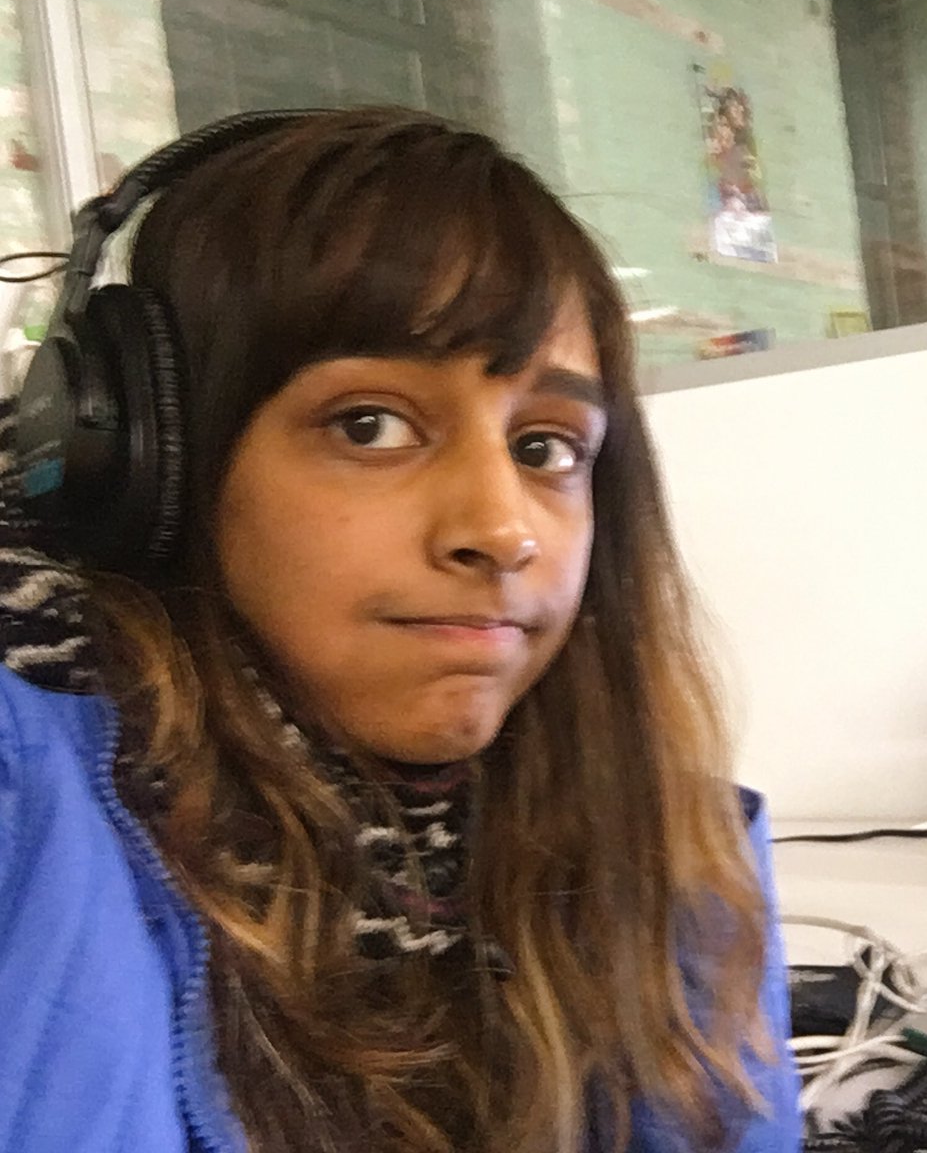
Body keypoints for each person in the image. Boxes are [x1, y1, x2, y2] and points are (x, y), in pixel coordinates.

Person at [0, 108, 800, 1153]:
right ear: (154, 468)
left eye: (546, 447)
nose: (503, 531)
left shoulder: (647, 832)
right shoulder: (30, 811)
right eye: (370, 425)